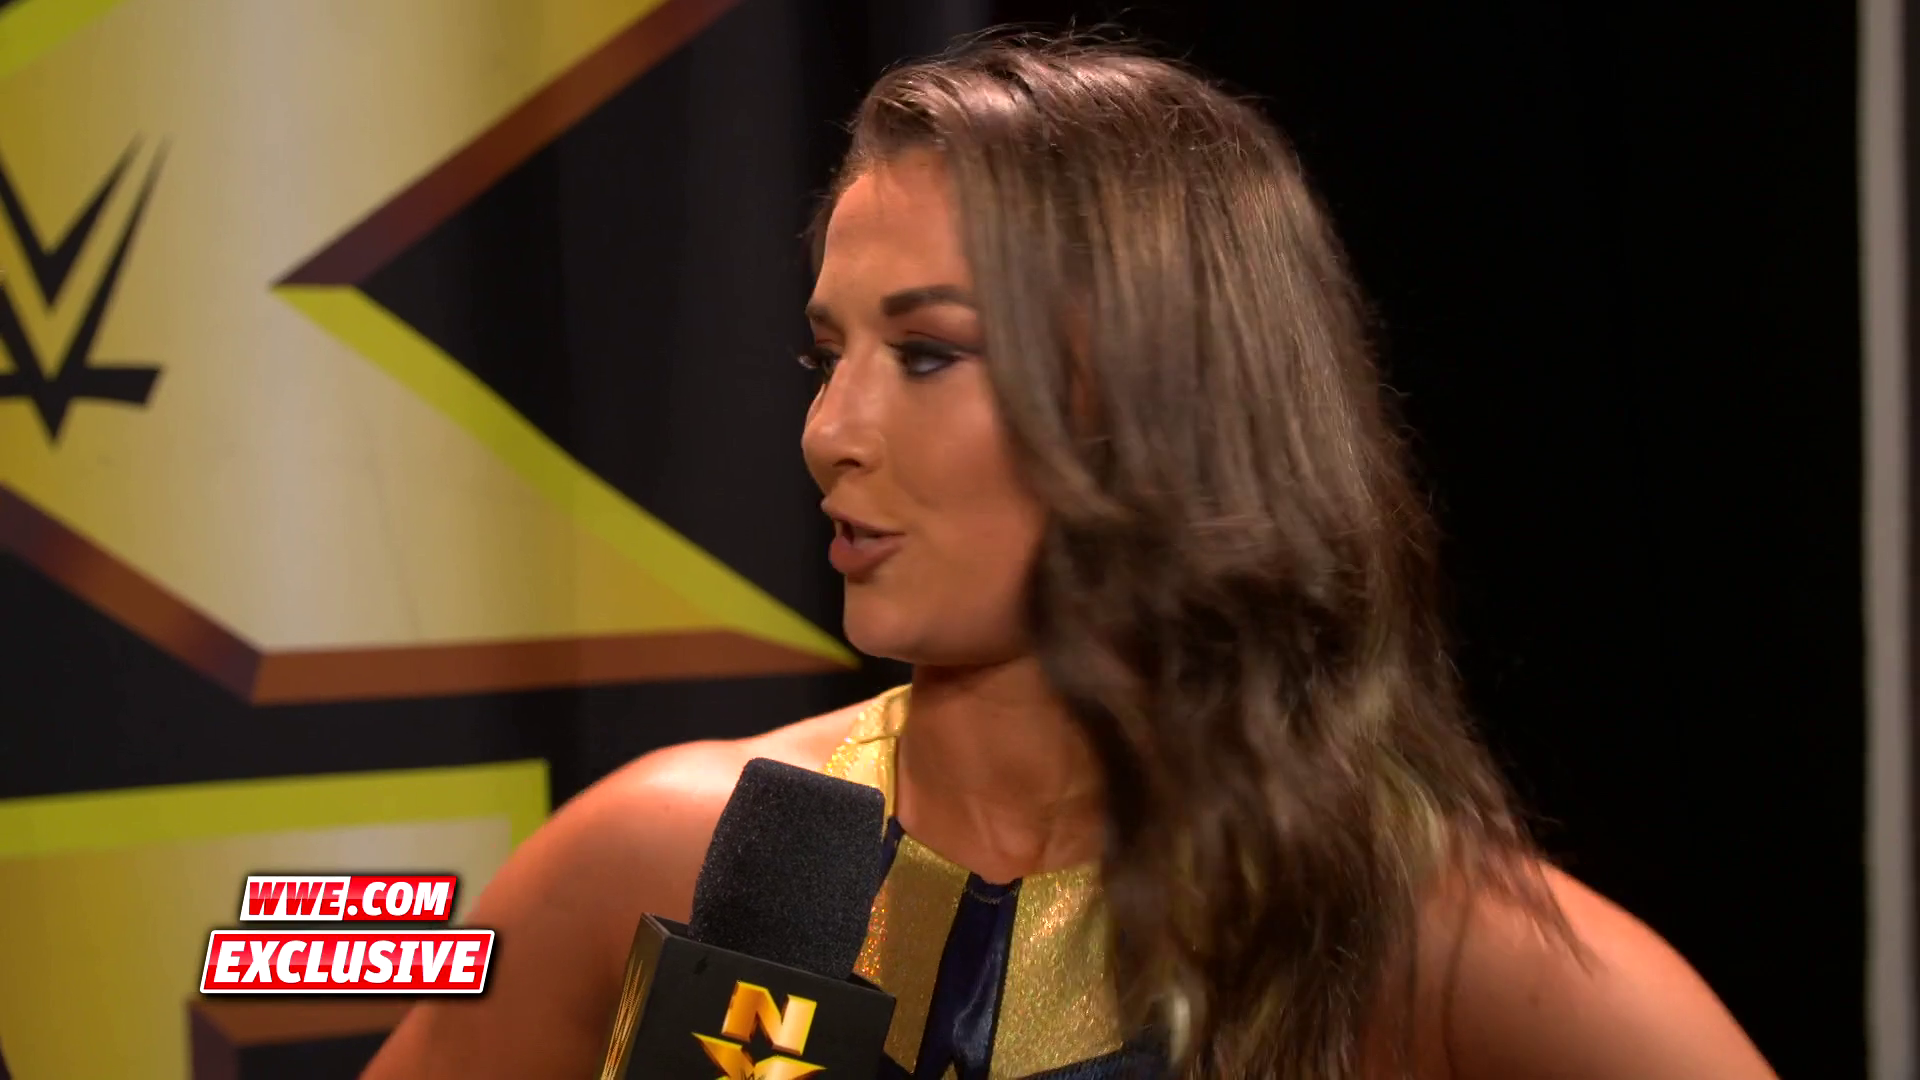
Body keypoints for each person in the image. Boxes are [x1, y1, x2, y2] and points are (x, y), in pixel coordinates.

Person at [364, 35, 1776, 1080]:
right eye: (826, 353)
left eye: (928, 354)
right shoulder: (662, 856)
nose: (830, 431)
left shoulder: (1421, 939)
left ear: (1164, 398)